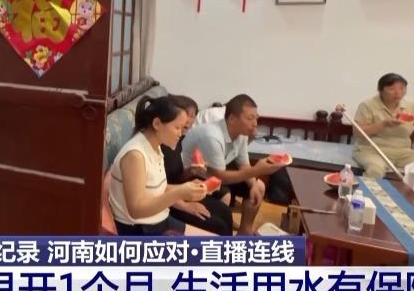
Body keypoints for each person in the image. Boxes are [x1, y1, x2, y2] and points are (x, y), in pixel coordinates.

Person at [181, 94, 285, 235]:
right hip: (190, 176)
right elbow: (220, 177)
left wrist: (254, 185)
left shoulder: (241, 135)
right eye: (250, 118)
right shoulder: (212, 136)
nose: (255, 124)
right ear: (231, 119)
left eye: (256, 118)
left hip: (214, 172)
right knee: (226, 201)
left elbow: (244, 165)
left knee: (258, 187)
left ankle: (245, 232)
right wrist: (257, 170)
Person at [108, 95, 210, 235]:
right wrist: (179, 193)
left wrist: (187, 187)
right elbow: (136, 210)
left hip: (159, 219)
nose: (180, 134)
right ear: (157, 124)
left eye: (183, 128)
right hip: (141, 229)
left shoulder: (155, 146)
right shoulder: (135, 156)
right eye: (177, 127)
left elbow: (158, 188)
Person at [346, 73, 414, 179]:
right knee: (375, 169)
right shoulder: (367, 105)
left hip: (403, 153)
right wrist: (384, 124)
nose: (398, 93)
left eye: (402, 88)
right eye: (392, 89)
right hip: (371, 151)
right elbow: (357, 133)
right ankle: (366, 191)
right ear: (381, 90)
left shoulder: (411, 106)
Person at [163, 95, 234, 236]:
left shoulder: (178, 140)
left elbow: (177, 176)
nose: (189, 121)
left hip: (181, 192)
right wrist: (186, 205)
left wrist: (191, 171)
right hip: (169, 202)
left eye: (193, 116)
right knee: (218, 225)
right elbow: (158, 189)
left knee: (225, 212)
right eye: (186, 115)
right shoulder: (159, 145)